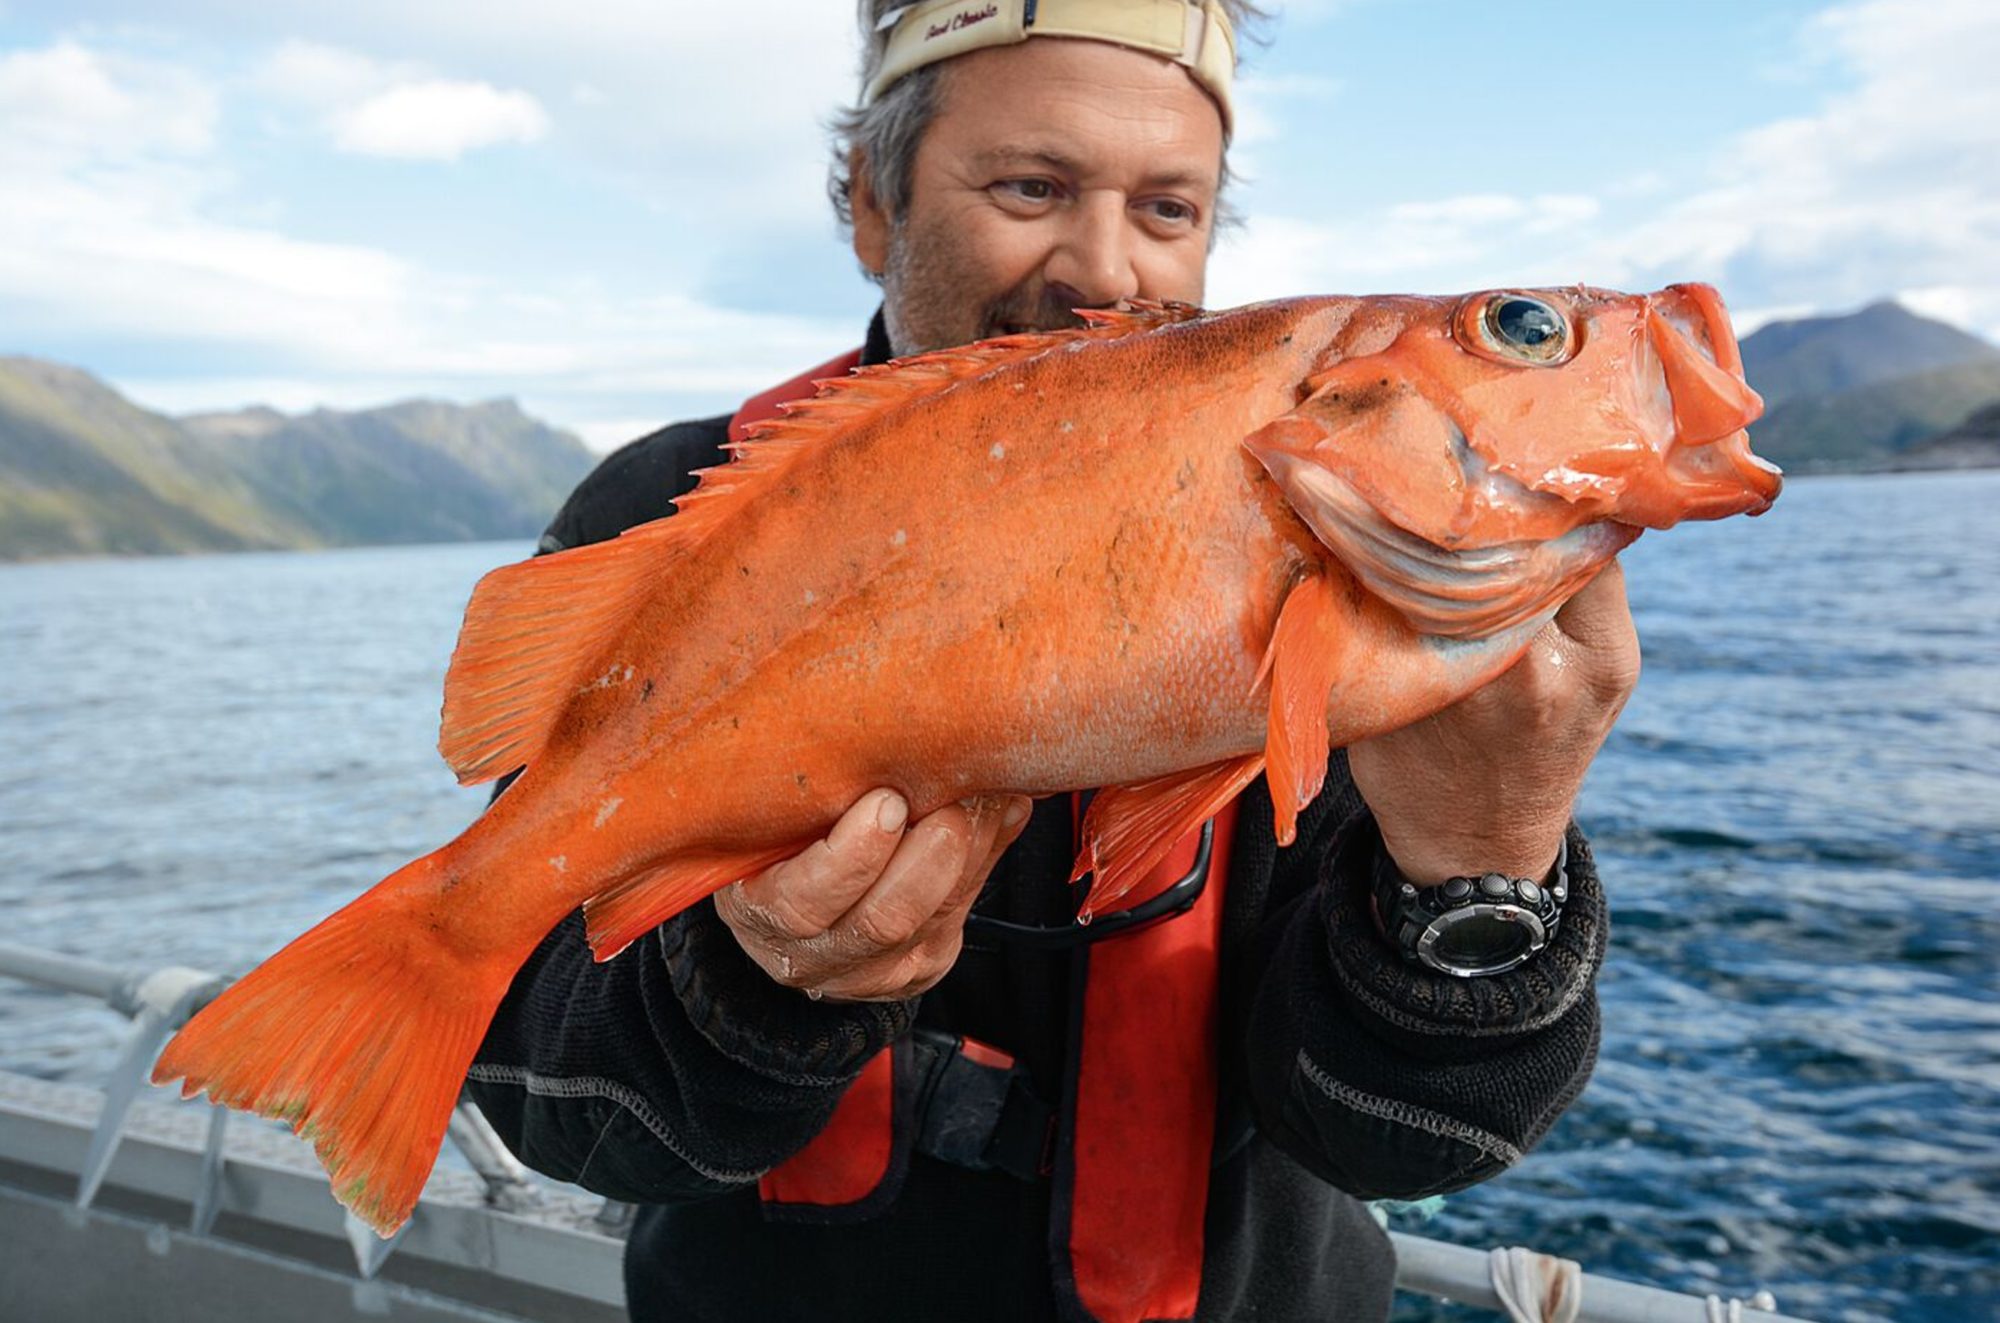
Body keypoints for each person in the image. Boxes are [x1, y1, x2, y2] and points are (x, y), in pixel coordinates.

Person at [468, 3, 1634, 1320]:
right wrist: (749, 984)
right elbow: (545, 1102)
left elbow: (1405, 1143)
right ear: (872, 201)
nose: (1106, 272)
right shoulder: (675, 511)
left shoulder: (1337, 535)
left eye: (1168, 210)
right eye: (1032, 186)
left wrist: (1480, 868)